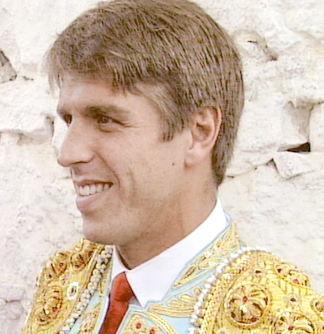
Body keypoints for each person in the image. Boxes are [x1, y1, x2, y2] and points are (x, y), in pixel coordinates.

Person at [22, 0, 324, 333]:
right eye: (69, 120)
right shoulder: (64, 281)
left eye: (105, 119)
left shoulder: (280, 321)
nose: (68, 153)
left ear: (198, 133)